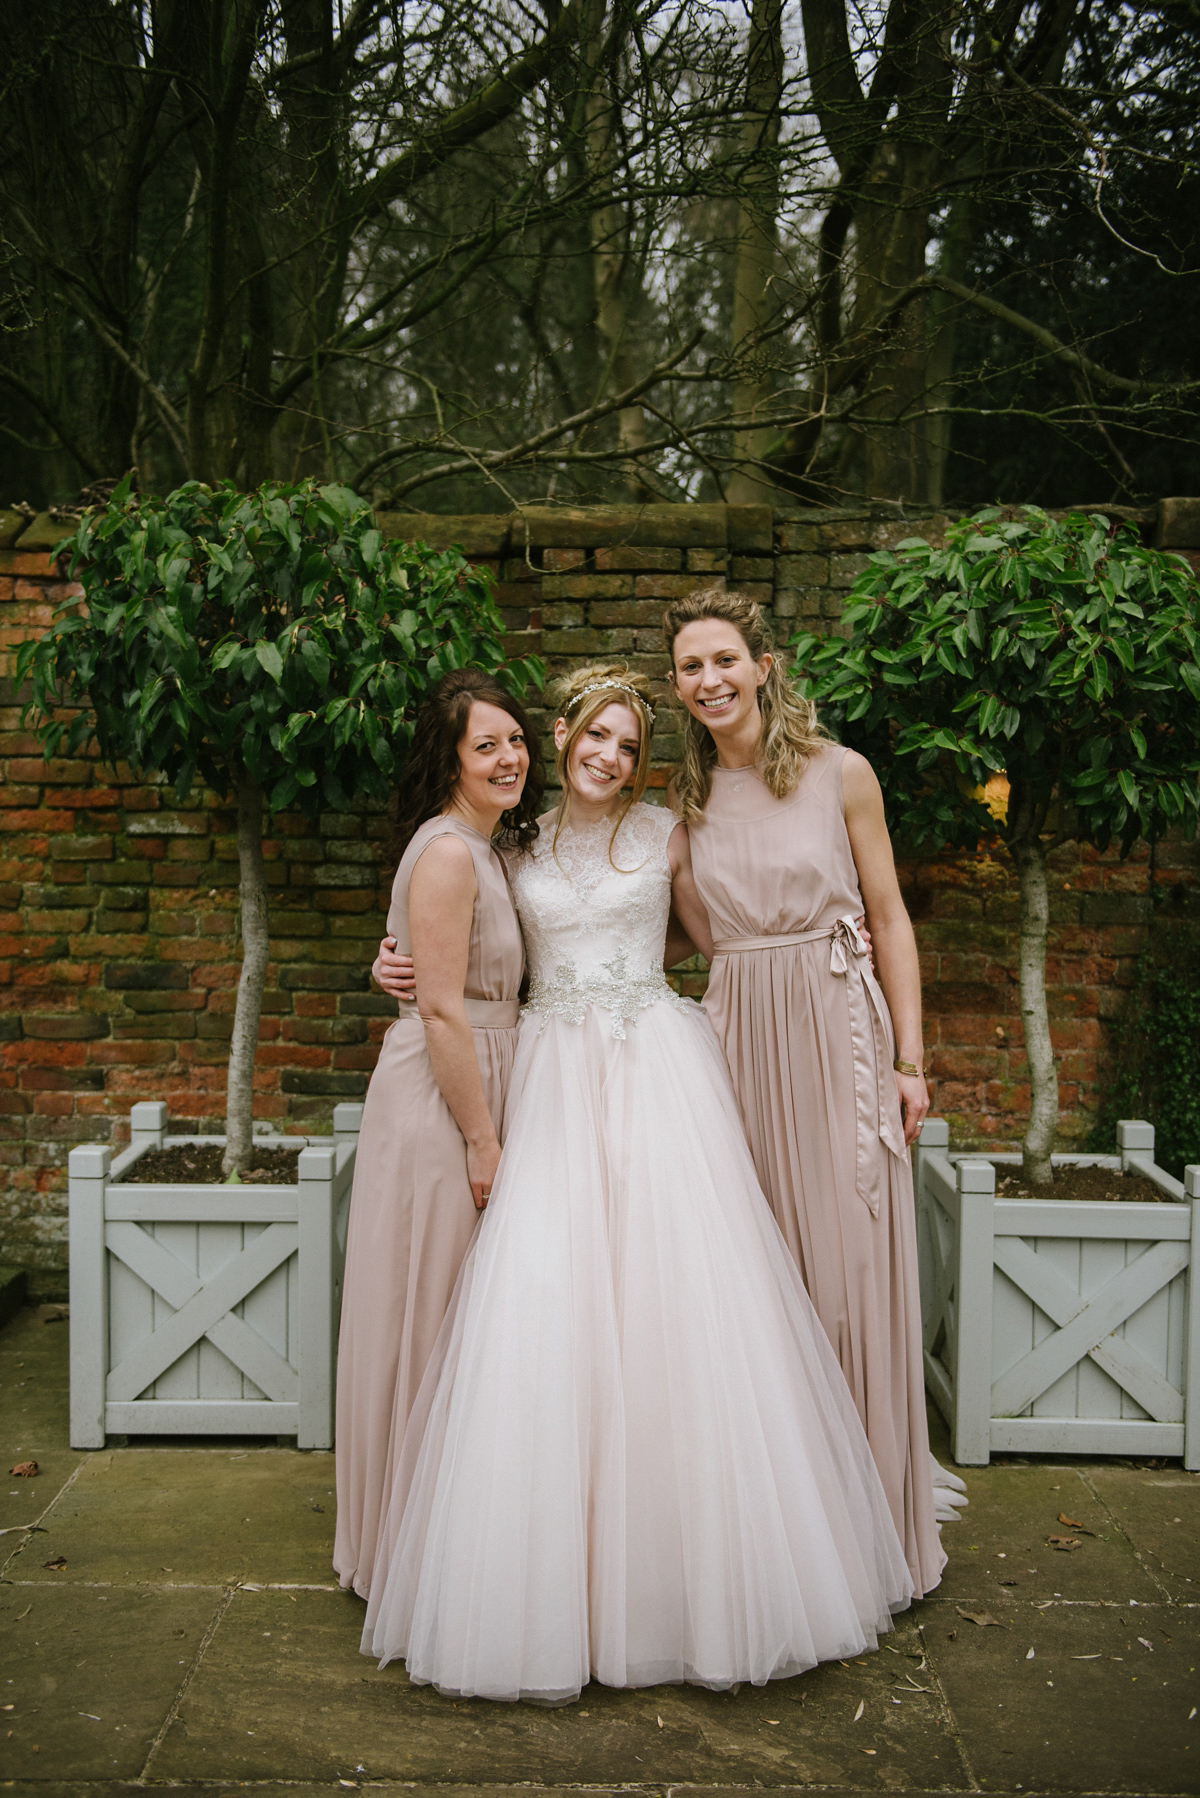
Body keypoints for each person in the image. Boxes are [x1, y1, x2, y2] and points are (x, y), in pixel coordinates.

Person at [360, 664, 914, 1705]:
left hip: (659, 1066)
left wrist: (820, 977)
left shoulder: (668, 833)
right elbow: (464, 939)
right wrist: (386, 963)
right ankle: (559, 1572)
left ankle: (685, 1567)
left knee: (684, 1305)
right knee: (555, 1305)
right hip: (555, 1075)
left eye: (627, 743)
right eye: (594, 737)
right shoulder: (510, 841)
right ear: (563, 737)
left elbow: (722, 940)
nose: (608, 756)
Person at [662, 586, 955, 1598]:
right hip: (737, 1039)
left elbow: (891, 915)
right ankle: (788, 1537)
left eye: (724, 661)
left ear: (765, 664)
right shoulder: (684, 807)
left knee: (848, 1266)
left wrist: (912, 1060)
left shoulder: (843, 775)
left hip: (839, 1031)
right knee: (763, 1276)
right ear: (678, 687)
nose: (710, 681)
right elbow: (602, 904)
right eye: (691, 668)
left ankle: (877, 1534)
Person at [332, 668, 542, 1601]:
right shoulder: (454, 853)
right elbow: (447, 1015)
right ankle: (407, 1554)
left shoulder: (490, 848)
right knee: (431, 1312)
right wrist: (484, 1141)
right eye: (484, 745)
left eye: (515, 739)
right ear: (450, 758)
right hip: (445, 1102)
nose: (508, 758)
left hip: (478, 1081)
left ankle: (441, 1539)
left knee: (464, 1316)